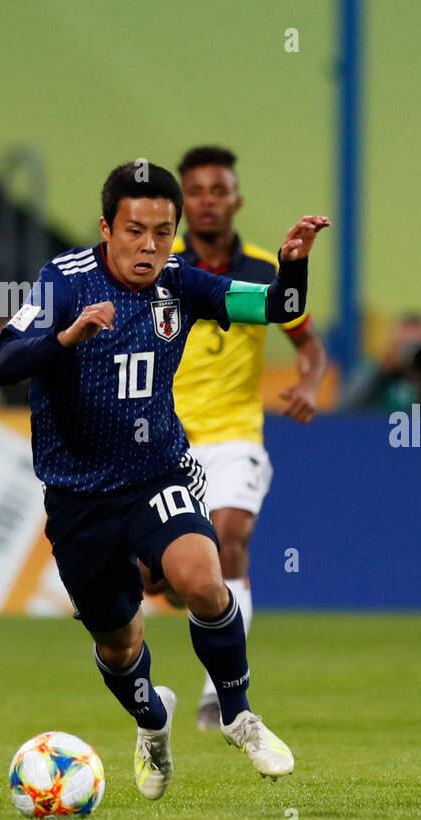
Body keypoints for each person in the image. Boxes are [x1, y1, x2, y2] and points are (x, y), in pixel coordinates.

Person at [0, 160, 328, 795]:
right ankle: (153, 721)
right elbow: (4, 362)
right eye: (135, 230)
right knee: (119, 645)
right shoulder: (62, 282)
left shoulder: (181, 282)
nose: (149, 247)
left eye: (162, 232)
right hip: (78, 496)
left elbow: (279, 306)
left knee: (204, 578)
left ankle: (239, 716)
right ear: (106, 228)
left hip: (156, 473)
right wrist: (65, 336)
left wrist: (294, 262)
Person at [140, 146, 329, 733]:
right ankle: (182, 592)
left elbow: (309, 346)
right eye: (195, 192)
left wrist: (311, 384)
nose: (206, 202)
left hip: (233, 435)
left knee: (230, 541)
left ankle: (218, 694)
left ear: (236, 199)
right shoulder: (159, 269)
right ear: (181, 203)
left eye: (217, 191)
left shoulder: (260, 272)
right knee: (164, 580)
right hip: (164, 439)